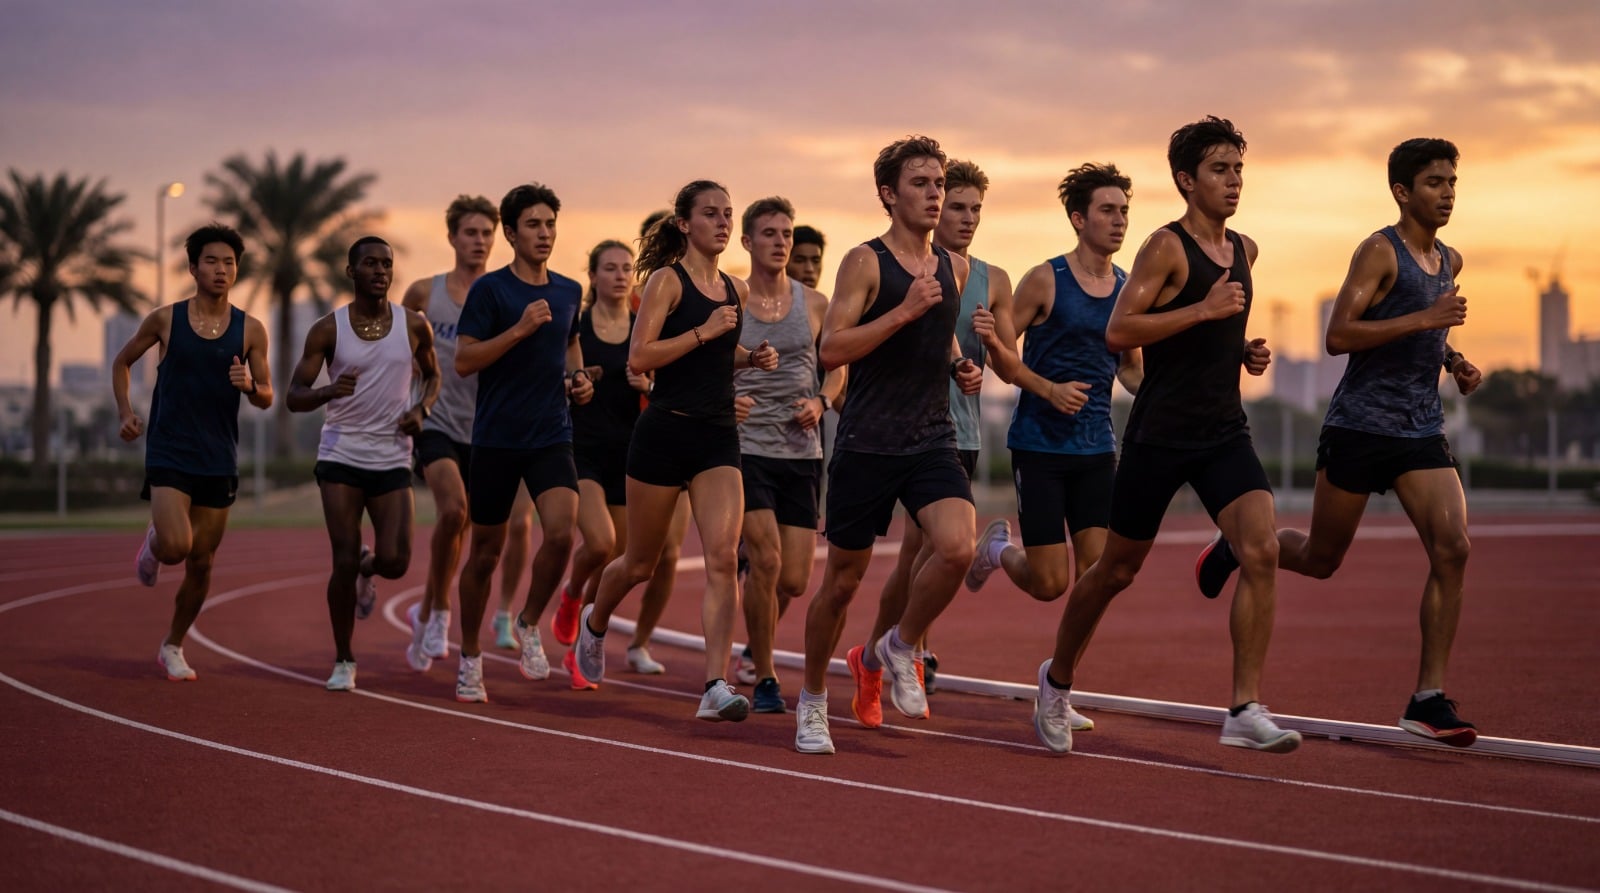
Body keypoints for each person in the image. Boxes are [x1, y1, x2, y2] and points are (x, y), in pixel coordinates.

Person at [1195, 138, 1484, 746]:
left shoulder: (1449, 260)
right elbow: (1339, 335)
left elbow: (1426, 339)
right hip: (1358, 426)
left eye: (1452, 182)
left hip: (1420, 430)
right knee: (1324, 560)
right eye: (1434, 183)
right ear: (1403, 192)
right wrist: (1426, 321)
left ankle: (1427, 699)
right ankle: (1240, 547)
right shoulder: (1379, 252)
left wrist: (1453, 359)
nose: (1448, 193)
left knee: (1454, 548)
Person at [1029, 116, 1297, 755]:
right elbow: (1120, 332)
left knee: (1260, 549)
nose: (1233, 182)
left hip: (1223, 429)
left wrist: (1243, 353)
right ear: (1185, 180)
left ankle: (1243, 708)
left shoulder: (1246, 250)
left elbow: (1212, 338)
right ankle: (1056, 681)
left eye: (1238, 169)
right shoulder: (1165, 247)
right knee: (1114, 571)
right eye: (1218, 170)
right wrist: (1204, 310)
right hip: (1162, 432)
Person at [795, 136, 983, 755]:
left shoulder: (954, 267)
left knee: (958, 546)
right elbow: (832, 350)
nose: (934, 195)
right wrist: (902, 312)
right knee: (843, 584)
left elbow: (941, 339)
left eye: (939, 184)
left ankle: (899, 645)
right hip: (868, 443)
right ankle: (815, 699)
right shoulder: (865, 263)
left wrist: (960, 365)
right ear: (888, 194)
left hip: (931, 436)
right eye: (921, 184)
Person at [575, 180, 779, 723]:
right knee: (639, 562)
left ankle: (713, 686)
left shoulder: (733, 288)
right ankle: (595, 626)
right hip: (663, 435)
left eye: (728, 214)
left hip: (717, 438)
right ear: (685, 224)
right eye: (711, 214)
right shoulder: (667, 280)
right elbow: (639, 358)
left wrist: (747, 358)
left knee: (720, 558)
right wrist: (704, 331)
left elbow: (715, 355)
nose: (723, 222)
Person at [963, 164, 1145, 741]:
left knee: (1098, 578)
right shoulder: (1046, 279)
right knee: (1049, 584)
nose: (1118, 221)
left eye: (1123, 211)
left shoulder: (1126, 290)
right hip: (1039, 446)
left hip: (1097, 450)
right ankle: (997, 550)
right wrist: (1048, 389)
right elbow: (1005, 361)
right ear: (1078, 218)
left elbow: (1135, 371)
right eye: (1107, 211)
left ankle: (1058, 688)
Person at [862, 159, 1009, 704]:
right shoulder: (899, 265)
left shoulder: (989, 278)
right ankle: (898, 653)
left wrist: (988, 348)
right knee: (916, 556)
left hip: (961, 431)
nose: (966, 217)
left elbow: (1006, 361)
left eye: (975, 209)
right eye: (956, 206)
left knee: (942, 554)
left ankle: (897, 650)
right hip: (904, 429)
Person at [450, 182, 594, 703]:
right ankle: (469, 657)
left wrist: (579, 380)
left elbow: (571, 341)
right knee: (485, 554)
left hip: (550, 432)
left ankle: (530, 621)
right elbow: (465, 360)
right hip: (496, 437)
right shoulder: (490, 291)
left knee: (559, 533)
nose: (544, 233)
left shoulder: (568, 290)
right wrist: (517, 330)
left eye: (550, 224)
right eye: (533, 225)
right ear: (510, 233)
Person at [114, 224, 272, 681]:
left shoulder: (252, 330)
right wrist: (125, 411)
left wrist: (252, 387)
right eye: (211, 261)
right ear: (192, 268)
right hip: (169, 449)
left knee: (202, 561)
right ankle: (155, 541)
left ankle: (174, 644)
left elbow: (266, 396)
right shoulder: (167, 319)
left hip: (218, 455)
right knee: (178, 548)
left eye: (229, 263)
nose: (221, 270)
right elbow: (122, 361)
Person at [288, 236, 439, 691]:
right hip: (341, 453)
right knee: (342, 558)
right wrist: (326, 392)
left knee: (395, 561)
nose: (380, 271)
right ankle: (344, 659)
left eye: (387, 264)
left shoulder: (414, 326)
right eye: (370, 263)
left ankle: (368, 570)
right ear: (351, 271)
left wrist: (422, 410)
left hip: (392, 455)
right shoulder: (327, 330)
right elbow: (295, 396)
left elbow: (432, 375)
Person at [398, 195, 535, 670]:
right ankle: (438, 612)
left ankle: (426, 606)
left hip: (490, 429)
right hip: (436, 421)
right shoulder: (423, 293)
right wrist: (407, 403)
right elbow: (401, 350)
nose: (479, 242)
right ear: (453, 237)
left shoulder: (502, 294)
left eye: (486, 234)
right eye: (470, 233)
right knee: (453, 511)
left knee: (473, 528)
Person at [733, 197, 843, 713]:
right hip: (745, 445)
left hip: (802, 451)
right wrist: (728, 398)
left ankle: (754, 632)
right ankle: (767, 677)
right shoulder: (731, 299)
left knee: (794, 580)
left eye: (786, 232)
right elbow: (707, 362)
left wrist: (821, 402)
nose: (780, 242)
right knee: (768, 560)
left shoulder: (815, 304)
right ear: (747, 241)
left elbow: (838, 364)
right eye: (770, 233)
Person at [557, 239, 652, 689]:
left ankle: (581, 650)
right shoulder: (576, 328)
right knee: (598, 543)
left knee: (618, 559)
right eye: (609, 268)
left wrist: (647, 383)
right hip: (583, 448)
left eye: (626, 268)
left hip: (629, 453)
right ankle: (572, 596)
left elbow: (665, 388)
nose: (619, 275)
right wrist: (573, 384)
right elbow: (554, 378)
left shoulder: (642, 328)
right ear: (592, 276)